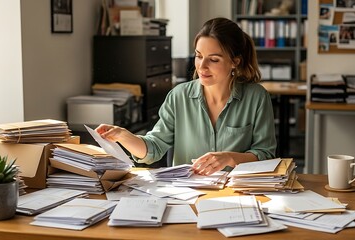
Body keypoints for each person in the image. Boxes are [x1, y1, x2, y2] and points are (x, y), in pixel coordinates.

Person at [96, 17, 277, 176]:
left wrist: (229, 158)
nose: (202, 66)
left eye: (213, 59)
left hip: (239, 195)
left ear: (235, 62)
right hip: (187, 196)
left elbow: (265, 154)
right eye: (199, 56)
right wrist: (124, 136)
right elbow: (155, 148)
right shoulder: (178, 96)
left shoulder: (257, 98)